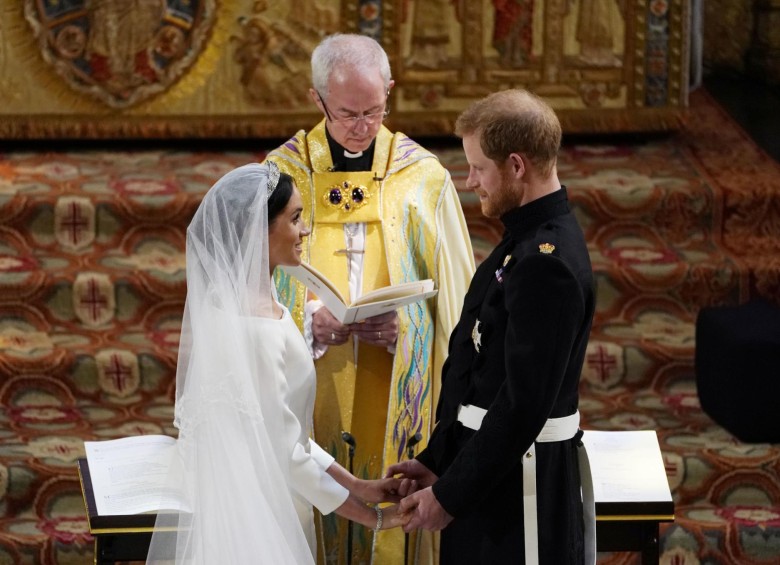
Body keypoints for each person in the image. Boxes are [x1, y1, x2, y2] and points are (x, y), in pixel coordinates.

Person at [265, 33, 475, 563]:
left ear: (390, 91)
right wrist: (307, 324)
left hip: (397, 380)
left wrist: (410, 331)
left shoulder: (422, 178)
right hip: (316, 379)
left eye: (374, 111)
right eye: (347, 114)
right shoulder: (282, 174)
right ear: (317, 101)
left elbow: (460, 303)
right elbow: (249, 284)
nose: (362, 126)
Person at [145, 162, 407, 565]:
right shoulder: (254, 327)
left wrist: (358, 484)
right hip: (260, 513)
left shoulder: (255, 304)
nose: (305, 231)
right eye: (296, 218)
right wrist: (372, 519)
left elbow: (287, 432)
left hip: (270, 495)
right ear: (258, 232)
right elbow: (286, 455)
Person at [386, 89, 597, 564]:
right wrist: (437, 459)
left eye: (479, 167)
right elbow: (478, 375)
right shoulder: (522, 242)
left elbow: (523, 406)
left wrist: (449, 496)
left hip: (521, 490)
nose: (470, 181)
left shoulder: (547, 264)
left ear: (516, 166)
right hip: (491, 474)